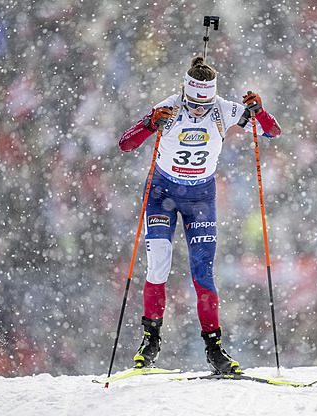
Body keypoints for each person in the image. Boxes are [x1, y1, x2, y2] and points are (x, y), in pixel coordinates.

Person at [119, 55, 281, 374]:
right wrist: (150, 123)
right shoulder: (169, 106)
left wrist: (260, 111)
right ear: (184, 93)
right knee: (158, 265)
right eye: (192, 103)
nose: (197, 111)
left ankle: (214, 348)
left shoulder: (223, 109)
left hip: (200, 199)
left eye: (203, 105)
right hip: (162, 195)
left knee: (202, 272)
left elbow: (272, 133)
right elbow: (126, 144)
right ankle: (150, 340)